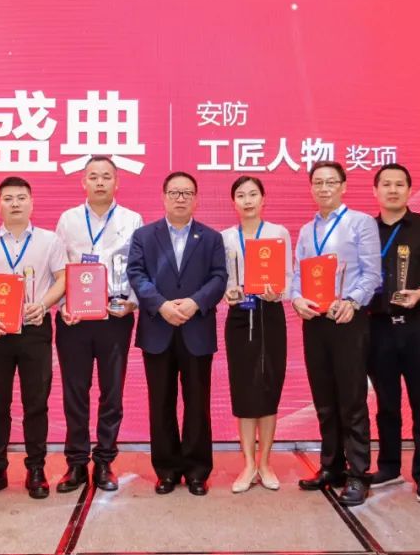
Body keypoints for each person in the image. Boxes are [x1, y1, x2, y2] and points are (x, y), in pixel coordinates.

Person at [0, 176, 67, 500]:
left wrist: (43, 304)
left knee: (36, 403)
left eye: (21, 197)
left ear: (31, 203)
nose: (15, 203)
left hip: (34, 328)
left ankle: (36, 468)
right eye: (8, 198)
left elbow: (64, 278)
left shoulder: (50, 241)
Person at [127, 171, 227, 496]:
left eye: (187, 193)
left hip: (197, 329)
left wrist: (195, 302)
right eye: (174, 192)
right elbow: (136, 274)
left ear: (196, 199)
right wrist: (161, 305)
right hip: (158, 329)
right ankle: (167, 470)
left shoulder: (211, 238)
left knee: (198, 404)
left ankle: (197, 471)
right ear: (164, 197)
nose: (180, 198)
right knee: (161, 403)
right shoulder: (144, 235)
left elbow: (219, 277)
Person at [290, 161, 381, 507]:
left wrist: (352, 302)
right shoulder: (306, 229)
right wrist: (297, 299)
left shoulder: (361, 223)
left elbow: (372, 274)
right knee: (324, 398)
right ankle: (332, 466)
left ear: (344, 186)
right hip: (315, 321)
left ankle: (358, 474)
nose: (324, 188)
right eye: (318, 182)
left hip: (347, 320)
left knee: (352, 400)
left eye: (331, 182)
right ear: (311, 188)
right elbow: (298, 275)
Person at [53, 156, 143, 493]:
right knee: (75, 392)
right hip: (74, 319)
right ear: (84, 182)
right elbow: (59, 267)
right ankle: (76, 463)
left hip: (115, 316)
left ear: (117, 182)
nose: (100, 182)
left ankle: (104, 460)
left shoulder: (132, 219)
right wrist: (63, 306)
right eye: (93, 176)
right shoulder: (68, 219)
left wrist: (132, 302)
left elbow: (138, 267)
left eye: (106, 176)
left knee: (112, 392)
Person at [367, 163, 420, 504]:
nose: (393, 190)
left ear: (409, 189)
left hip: (419, 326)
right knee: (386, 403)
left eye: (399, 184)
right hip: (378, 326)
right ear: (376, 190)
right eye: (386, 184)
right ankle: (389, 466)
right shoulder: (365, 229)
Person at [220, 175, 291, 493]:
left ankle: (265, 462)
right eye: (240, 195)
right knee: (244, 390)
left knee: (269, 387)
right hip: (239, 316)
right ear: (233, 202)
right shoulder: (225, 237)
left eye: (252, 194)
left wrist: (278, 292)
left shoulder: (278, 233)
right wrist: (227, 293)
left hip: (270, 315)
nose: (247, 200)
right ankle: (248, 463)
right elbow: (220, 278)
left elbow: (288, 276)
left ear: (263, 199)